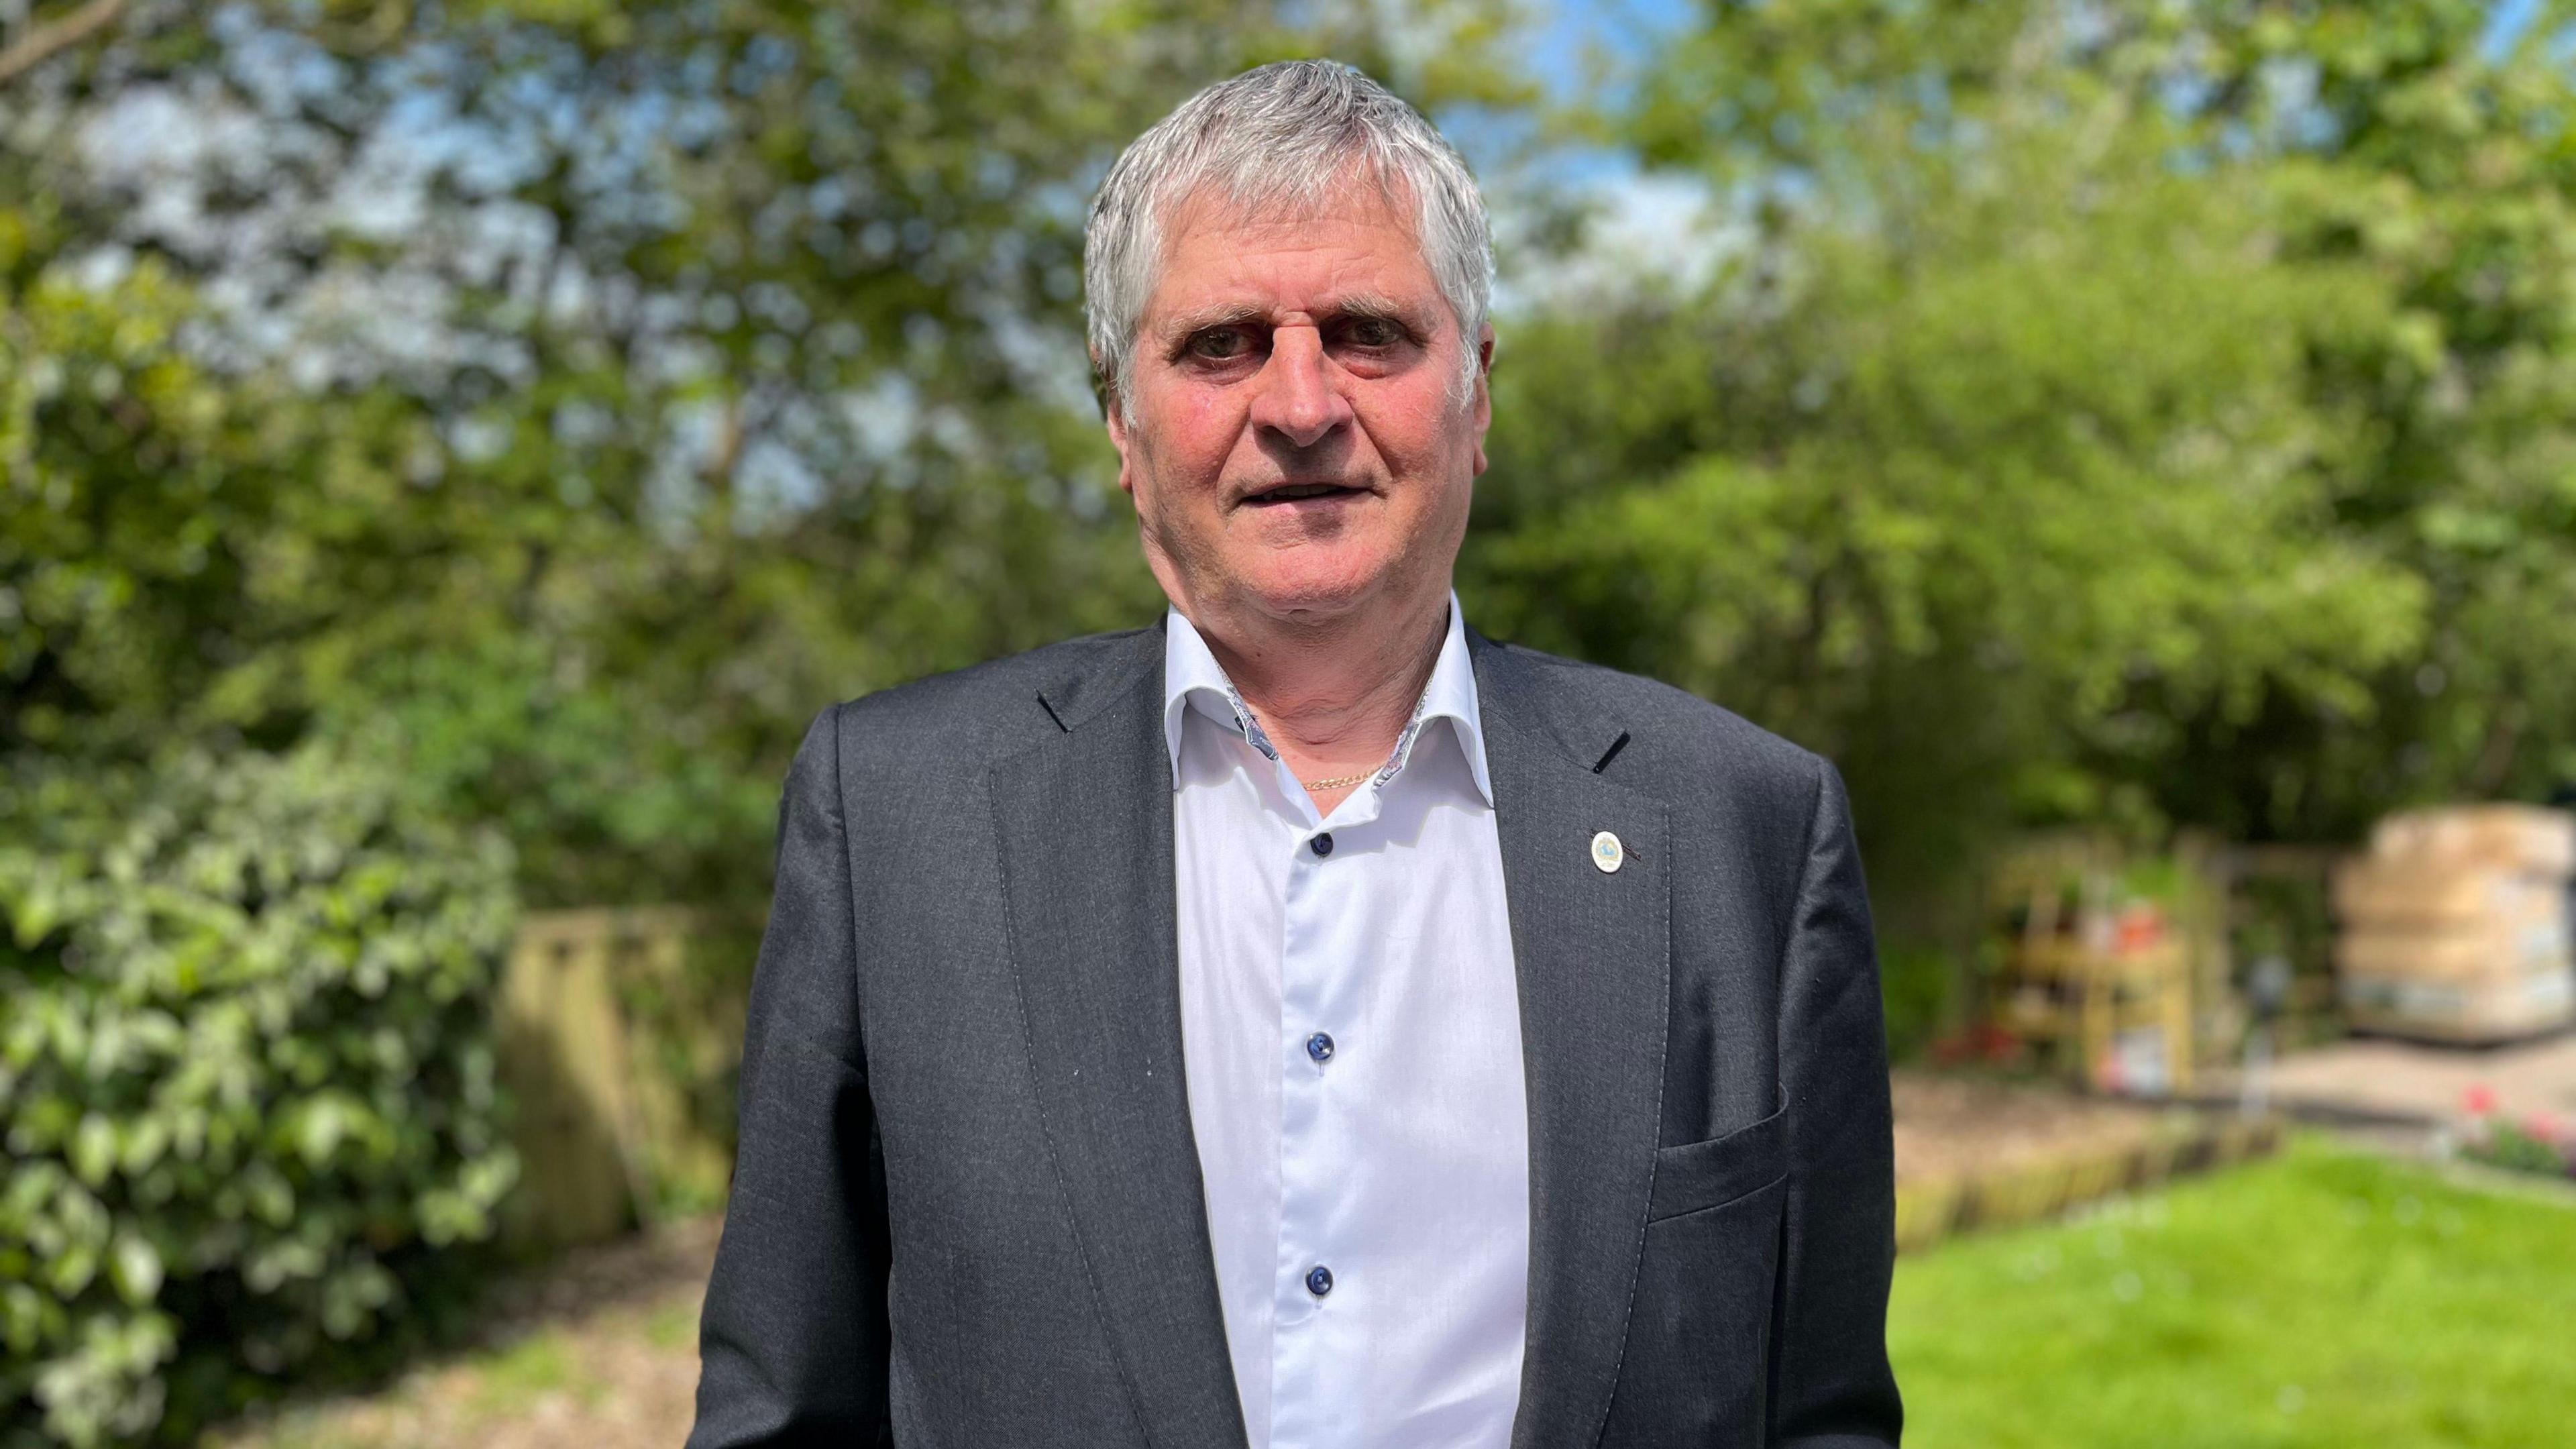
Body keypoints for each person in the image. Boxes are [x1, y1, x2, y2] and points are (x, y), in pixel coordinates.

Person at [687, 58, 1902, 1449]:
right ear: (1122, 426)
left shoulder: (1746, 828)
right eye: (1221, 346)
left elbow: (1820, 1418)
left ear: (1478, 392)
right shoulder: (900, 822)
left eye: (1370, 331)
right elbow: (780, 1416)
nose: (1303, 403)